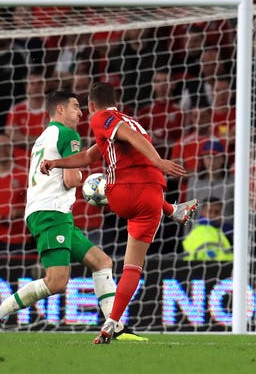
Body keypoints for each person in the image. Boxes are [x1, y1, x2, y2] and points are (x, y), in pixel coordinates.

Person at [0, 90, 147, 342]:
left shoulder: (44, 137)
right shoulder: (68, 134)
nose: (80, 112)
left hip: (50, 211)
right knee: (56, 282)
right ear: (60, 110)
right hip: (51, 213)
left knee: (101, 262)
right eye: (75, 107)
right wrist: (89, 181)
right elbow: (70, 179)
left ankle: (115, 327)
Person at [39, 82, 198, 344]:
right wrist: (57, 163)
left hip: (123, 195)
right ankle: (112, 323)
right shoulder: (132, 120)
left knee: (101, 181)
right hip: (151, 195)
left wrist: (158, 160)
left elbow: (126, 137)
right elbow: (92, 154)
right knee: (132, 268)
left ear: (91, 106)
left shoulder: (103, 117)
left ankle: (110, 324)